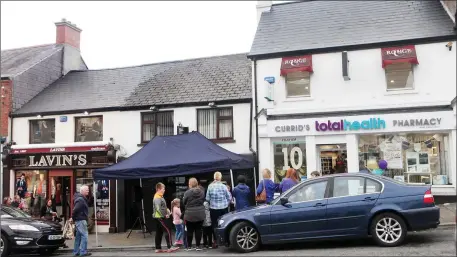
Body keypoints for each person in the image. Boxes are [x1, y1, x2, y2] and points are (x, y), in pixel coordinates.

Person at [205, 171, 231, 248]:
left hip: (213, 208)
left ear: (214, 177)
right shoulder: (224, 186)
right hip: (224, 208)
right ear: (220, 177)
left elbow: (207, 199)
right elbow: (229, 197)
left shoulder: (210, 186)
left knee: (215, 225)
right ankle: (226, 241)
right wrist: (226, 203)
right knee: (225, 223)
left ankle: (216, 241)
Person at [153, 183, 179, 253]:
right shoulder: (157, 198)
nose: (164, 190)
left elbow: (162, 207)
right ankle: (170, 247)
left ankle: (158, 248)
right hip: (160, 217)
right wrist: (164, 215)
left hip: (158, 217)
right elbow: (158, 209)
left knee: (159, 232)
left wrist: (167, 210)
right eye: (163, 189)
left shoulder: (159, 196)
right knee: (167, 230)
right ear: (158, 189)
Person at [183, 178, 205, 251]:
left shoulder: (187, 193)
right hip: (200, 213)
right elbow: (203, 200)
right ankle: (198, 246)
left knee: (189, 231)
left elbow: (184, 202)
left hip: (189, 214)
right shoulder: (202, 192)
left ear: (190, 184)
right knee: (198, 230)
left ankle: (189, 246)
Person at [71, 185, 91, 256]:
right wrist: (73, 218)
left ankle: (76, 252)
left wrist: (74, 219)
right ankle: (83, 252)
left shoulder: (81, 198)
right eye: (87, 190)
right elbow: (75, 210)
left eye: (88, 190)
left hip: (79, 220)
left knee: (78, 237)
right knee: (84, 236)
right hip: (81, 220)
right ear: (82, 191)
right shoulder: (80, 199)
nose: (88, 191)